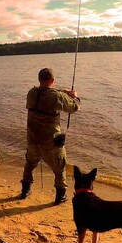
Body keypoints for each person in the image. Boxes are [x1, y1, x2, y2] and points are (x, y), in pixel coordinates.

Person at [20, 68, 80, 205]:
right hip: (50, 143)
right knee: (60, 168)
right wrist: (74, 96)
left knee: (29, 164)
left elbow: (44, 93)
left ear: (39, 79)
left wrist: (62, 92)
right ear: (53, 80)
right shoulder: (57, 97)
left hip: (32, 140)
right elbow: (74, 108)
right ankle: (60, 195)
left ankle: (25, 190)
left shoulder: (31, 93)